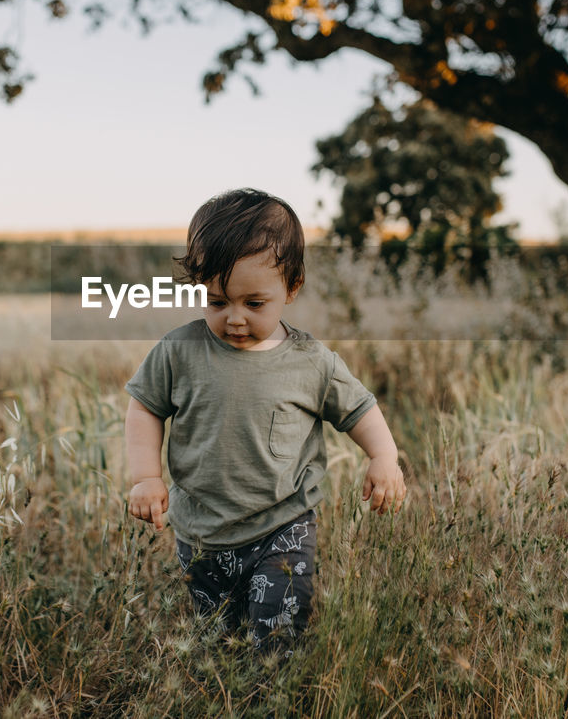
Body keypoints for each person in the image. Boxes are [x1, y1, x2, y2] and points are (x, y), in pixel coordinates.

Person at [124, 187, 407, 658]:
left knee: (276, 639)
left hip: (283, 523)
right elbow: (145, 407)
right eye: (217, 302)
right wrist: (146, 478)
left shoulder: (311, 361)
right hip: (201, 531)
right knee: (217, 643)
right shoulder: (179, 351)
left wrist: (384, 456)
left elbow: (359, 409)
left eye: (253, 304)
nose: (234, 318)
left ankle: (274, 693)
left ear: (291, 288)